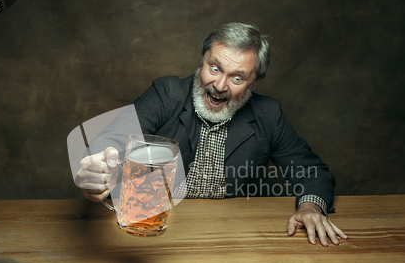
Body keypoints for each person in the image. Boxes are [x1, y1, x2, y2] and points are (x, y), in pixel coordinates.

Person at [76, 22, 348, 246]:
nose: (219, 85)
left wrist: (311, 207)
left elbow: (311, 170)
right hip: (155, 236)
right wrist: (98, 166)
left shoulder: (268, 114)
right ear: (202, 60)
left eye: (237, 78)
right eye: (214, 68)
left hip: (231, 237)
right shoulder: (166, 93)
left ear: (255, 82)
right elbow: (112, 137)